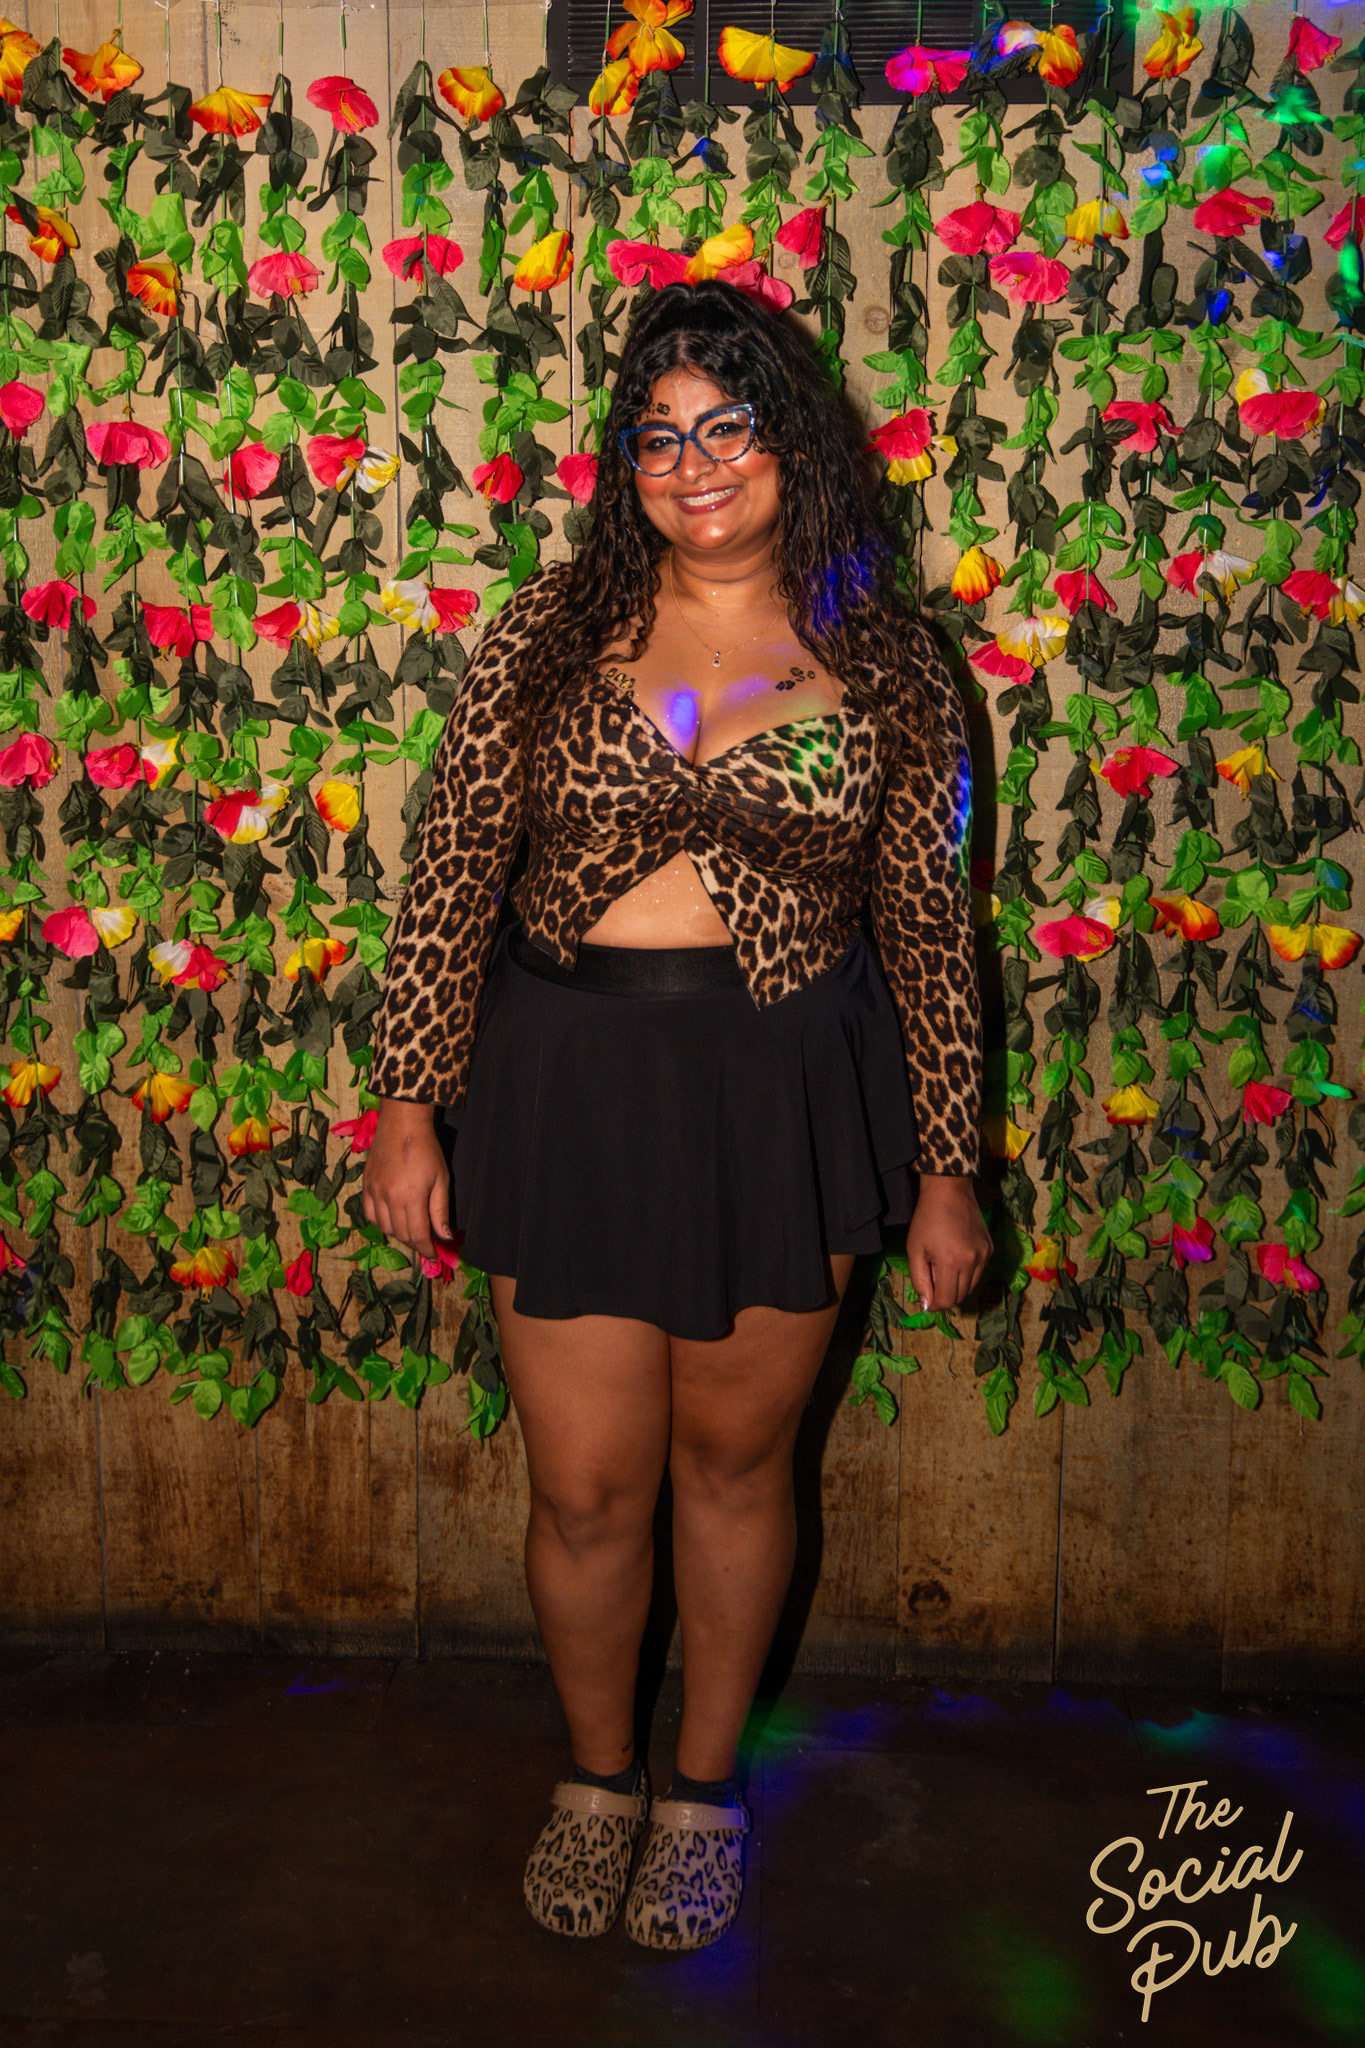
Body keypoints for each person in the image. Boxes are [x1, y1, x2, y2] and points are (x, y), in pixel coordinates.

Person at [361, 278, 990, 1953]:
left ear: (796, 447)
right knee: (583, 1489)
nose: (694, 463)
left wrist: (948, 1167)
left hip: (781, 1093)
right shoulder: (545, 632)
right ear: (623, 465)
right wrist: (406, 1102)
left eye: (729, 427)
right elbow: (450, 874)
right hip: (567, 1083)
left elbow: (930, 930)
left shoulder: (888, 660)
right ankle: (594, 1776)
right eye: (658, 437)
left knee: (732, 1465)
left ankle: (701, 1788)